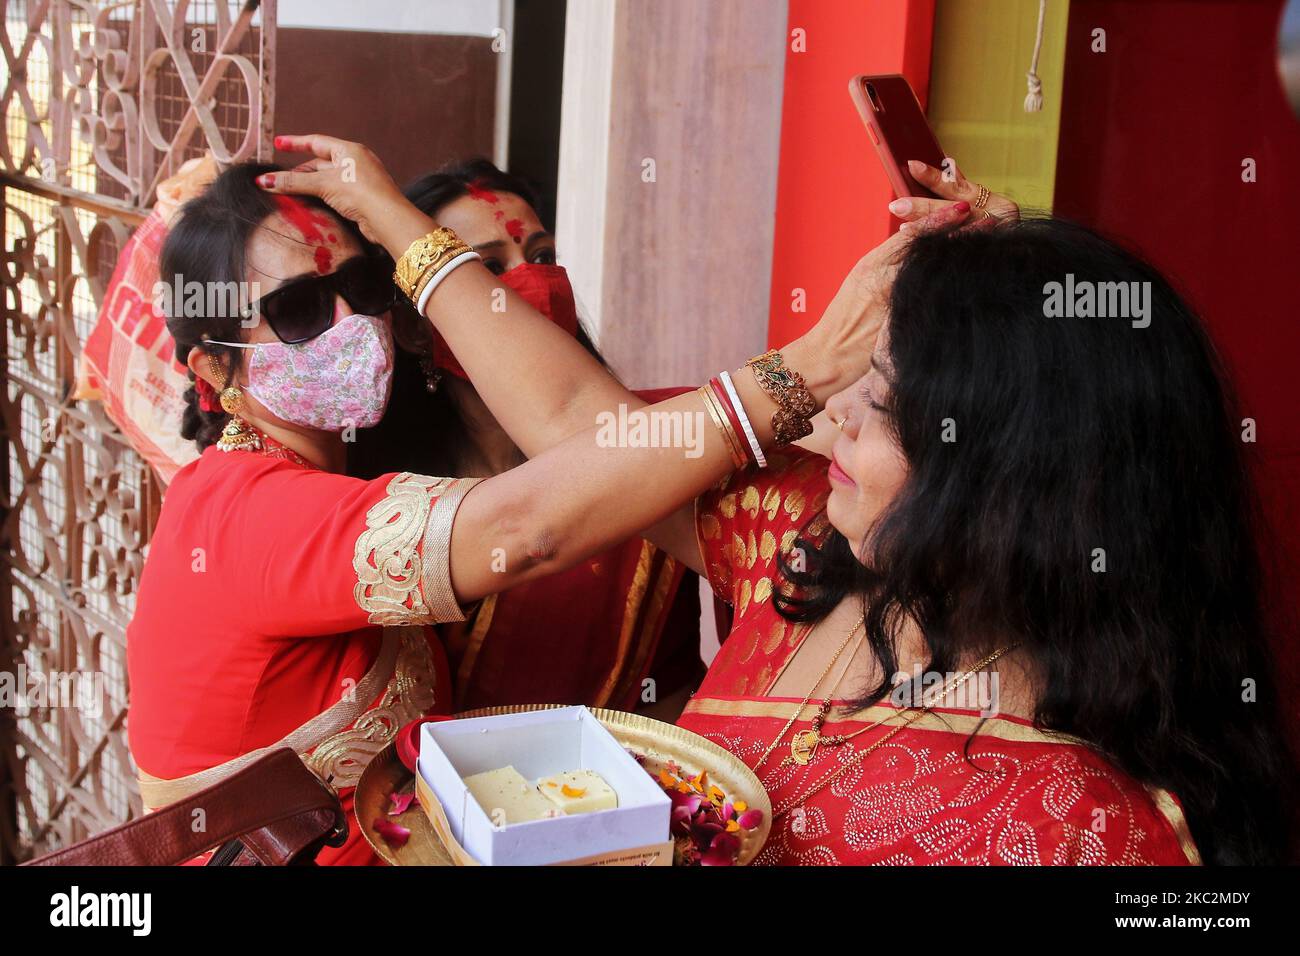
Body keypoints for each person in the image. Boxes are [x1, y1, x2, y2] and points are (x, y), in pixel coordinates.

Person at [275, 139, 1292, 865]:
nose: (834, 415)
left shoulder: (1093, 834)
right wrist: (392, 216)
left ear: (1014, 473)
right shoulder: (801, 555)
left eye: (883, 396)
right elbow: (584, 422)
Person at [125, 133, 901, 864]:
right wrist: (815, 358)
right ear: (214, 373)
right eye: (298, 310)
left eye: (362, 287)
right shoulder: (243, 514)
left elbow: (605, 441)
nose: (351, 322)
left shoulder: (347, 482)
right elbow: (529, 524)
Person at [349, 159, 704, 716]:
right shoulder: (384, 496)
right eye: (487, 267)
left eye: (541, 256)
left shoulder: (651, 439)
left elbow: (676, 682)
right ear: (417, 326)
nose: (533, 279)